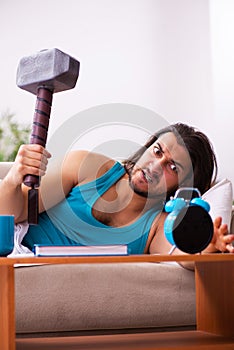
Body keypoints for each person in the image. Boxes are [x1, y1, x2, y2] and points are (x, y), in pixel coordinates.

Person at [0, 122, 233, 262]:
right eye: (157, 151)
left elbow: (180, 255)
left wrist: (206, 248)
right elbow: (12, 213)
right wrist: (13, 178)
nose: (155, 166)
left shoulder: (157, 226)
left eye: (173, 167)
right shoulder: (87, 166)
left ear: (182, 187)